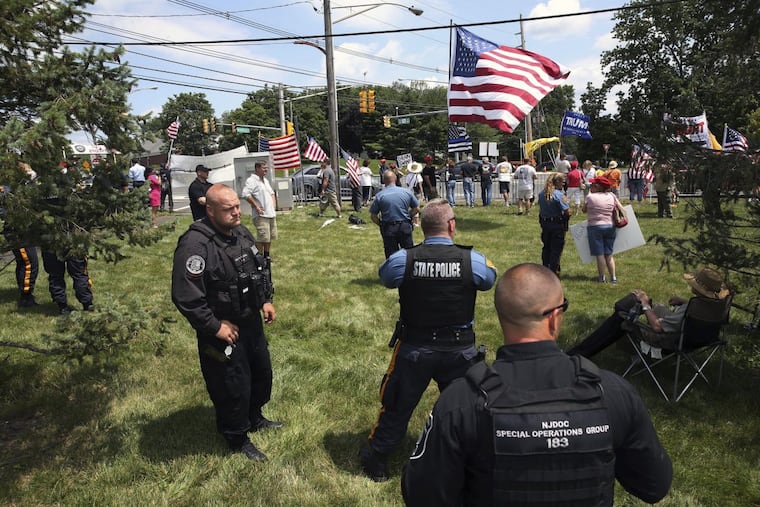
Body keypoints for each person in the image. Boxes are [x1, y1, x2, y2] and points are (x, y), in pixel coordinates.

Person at [402, 263, 673, 506]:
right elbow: (653, 485)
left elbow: (422, 494)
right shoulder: (613, 393)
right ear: (554, 317)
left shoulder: (461, 401)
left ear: (501, 316)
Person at [360, 198, 498, 482]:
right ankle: (471, 459)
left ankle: (378, 457)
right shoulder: (471, 259)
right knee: (467, 408)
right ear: (451, 225)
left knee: (397, 405)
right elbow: (489, 279)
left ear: (421, 227)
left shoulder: (404, 259)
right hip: (459, 349)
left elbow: (386, 277)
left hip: (415, 348)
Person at [171, 184, 282, 462]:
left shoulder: (241, 232)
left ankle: (254, 416)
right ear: (210, 210)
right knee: (232, 385)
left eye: (237, 206)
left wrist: (265, 300)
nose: (236, 212)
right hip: (223, 331)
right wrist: (214, 326)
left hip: (250, 321)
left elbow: (258, 269)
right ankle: (236, 436)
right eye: (228, 209)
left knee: (261, 374)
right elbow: (186, 296)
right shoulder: (195, 245)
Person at [567, 267, 729, 358]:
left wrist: (645, 305)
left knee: (622, 319)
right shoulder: (716, 305)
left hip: (669, 340)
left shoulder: (691, 308)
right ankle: (628, 306)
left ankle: (582, 352)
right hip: (699, 338)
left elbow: (657, 327)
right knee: (655, 305)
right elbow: (694, 310)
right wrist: (683, 301)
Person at [369, 170, 420, 259]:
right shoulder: (407, 192)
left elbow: (373, 216)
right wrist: (408, 216)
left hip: (388, 227)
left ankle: (393, 271)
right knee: (409, 253)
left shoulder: (380, 195)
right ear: (395, 179)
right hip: (405, 225)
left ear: (384, 181)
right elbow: (416, 208)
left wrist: (381, 224)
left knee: (391, 255)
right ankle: (410, 271)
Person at [583, 176, 618, 284]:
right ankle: (613, 277)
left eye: (593, 185)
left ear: (597, 187)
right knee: (609, 254)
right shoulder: (612, 196)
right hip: (610, 226)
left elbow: (584, 210)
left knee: (600, 254)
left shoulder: (590, 197)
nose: (591, 186)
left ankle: (602, 278)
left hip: (595, 227)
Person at [241, 161, 278, 259]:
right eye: (264, 168)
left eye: (266, 168)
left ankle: (267, 256)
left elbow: (272, 193)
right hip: (261, 215)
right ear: (257, 168)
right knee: (263, 237)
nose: (266, 170)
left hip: (270, 214)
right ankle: (258, 257)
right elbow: (245, 194)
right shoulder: (252, 180)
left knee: (269, 237)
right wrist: (256, 206)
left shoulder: (265, 181)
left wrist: (273, 206)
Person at [537, 173, 571, 277]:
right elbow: (567, 211)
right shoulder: (558, 195)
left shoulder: (542, 193)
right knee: (556, 249)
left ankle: (545, 268)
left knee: (546, 247)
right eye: (562, 182)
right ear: (557, 182)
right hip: (556, 224)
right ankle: (553, 271)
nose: (563, 184)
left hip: (545, 223)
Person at [41, 250, 94, 315]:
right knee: (79, 274)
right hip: (73, 244)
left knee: (55, 276)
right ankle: (87, 304)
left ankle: (62, 306)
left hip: (51, 245)